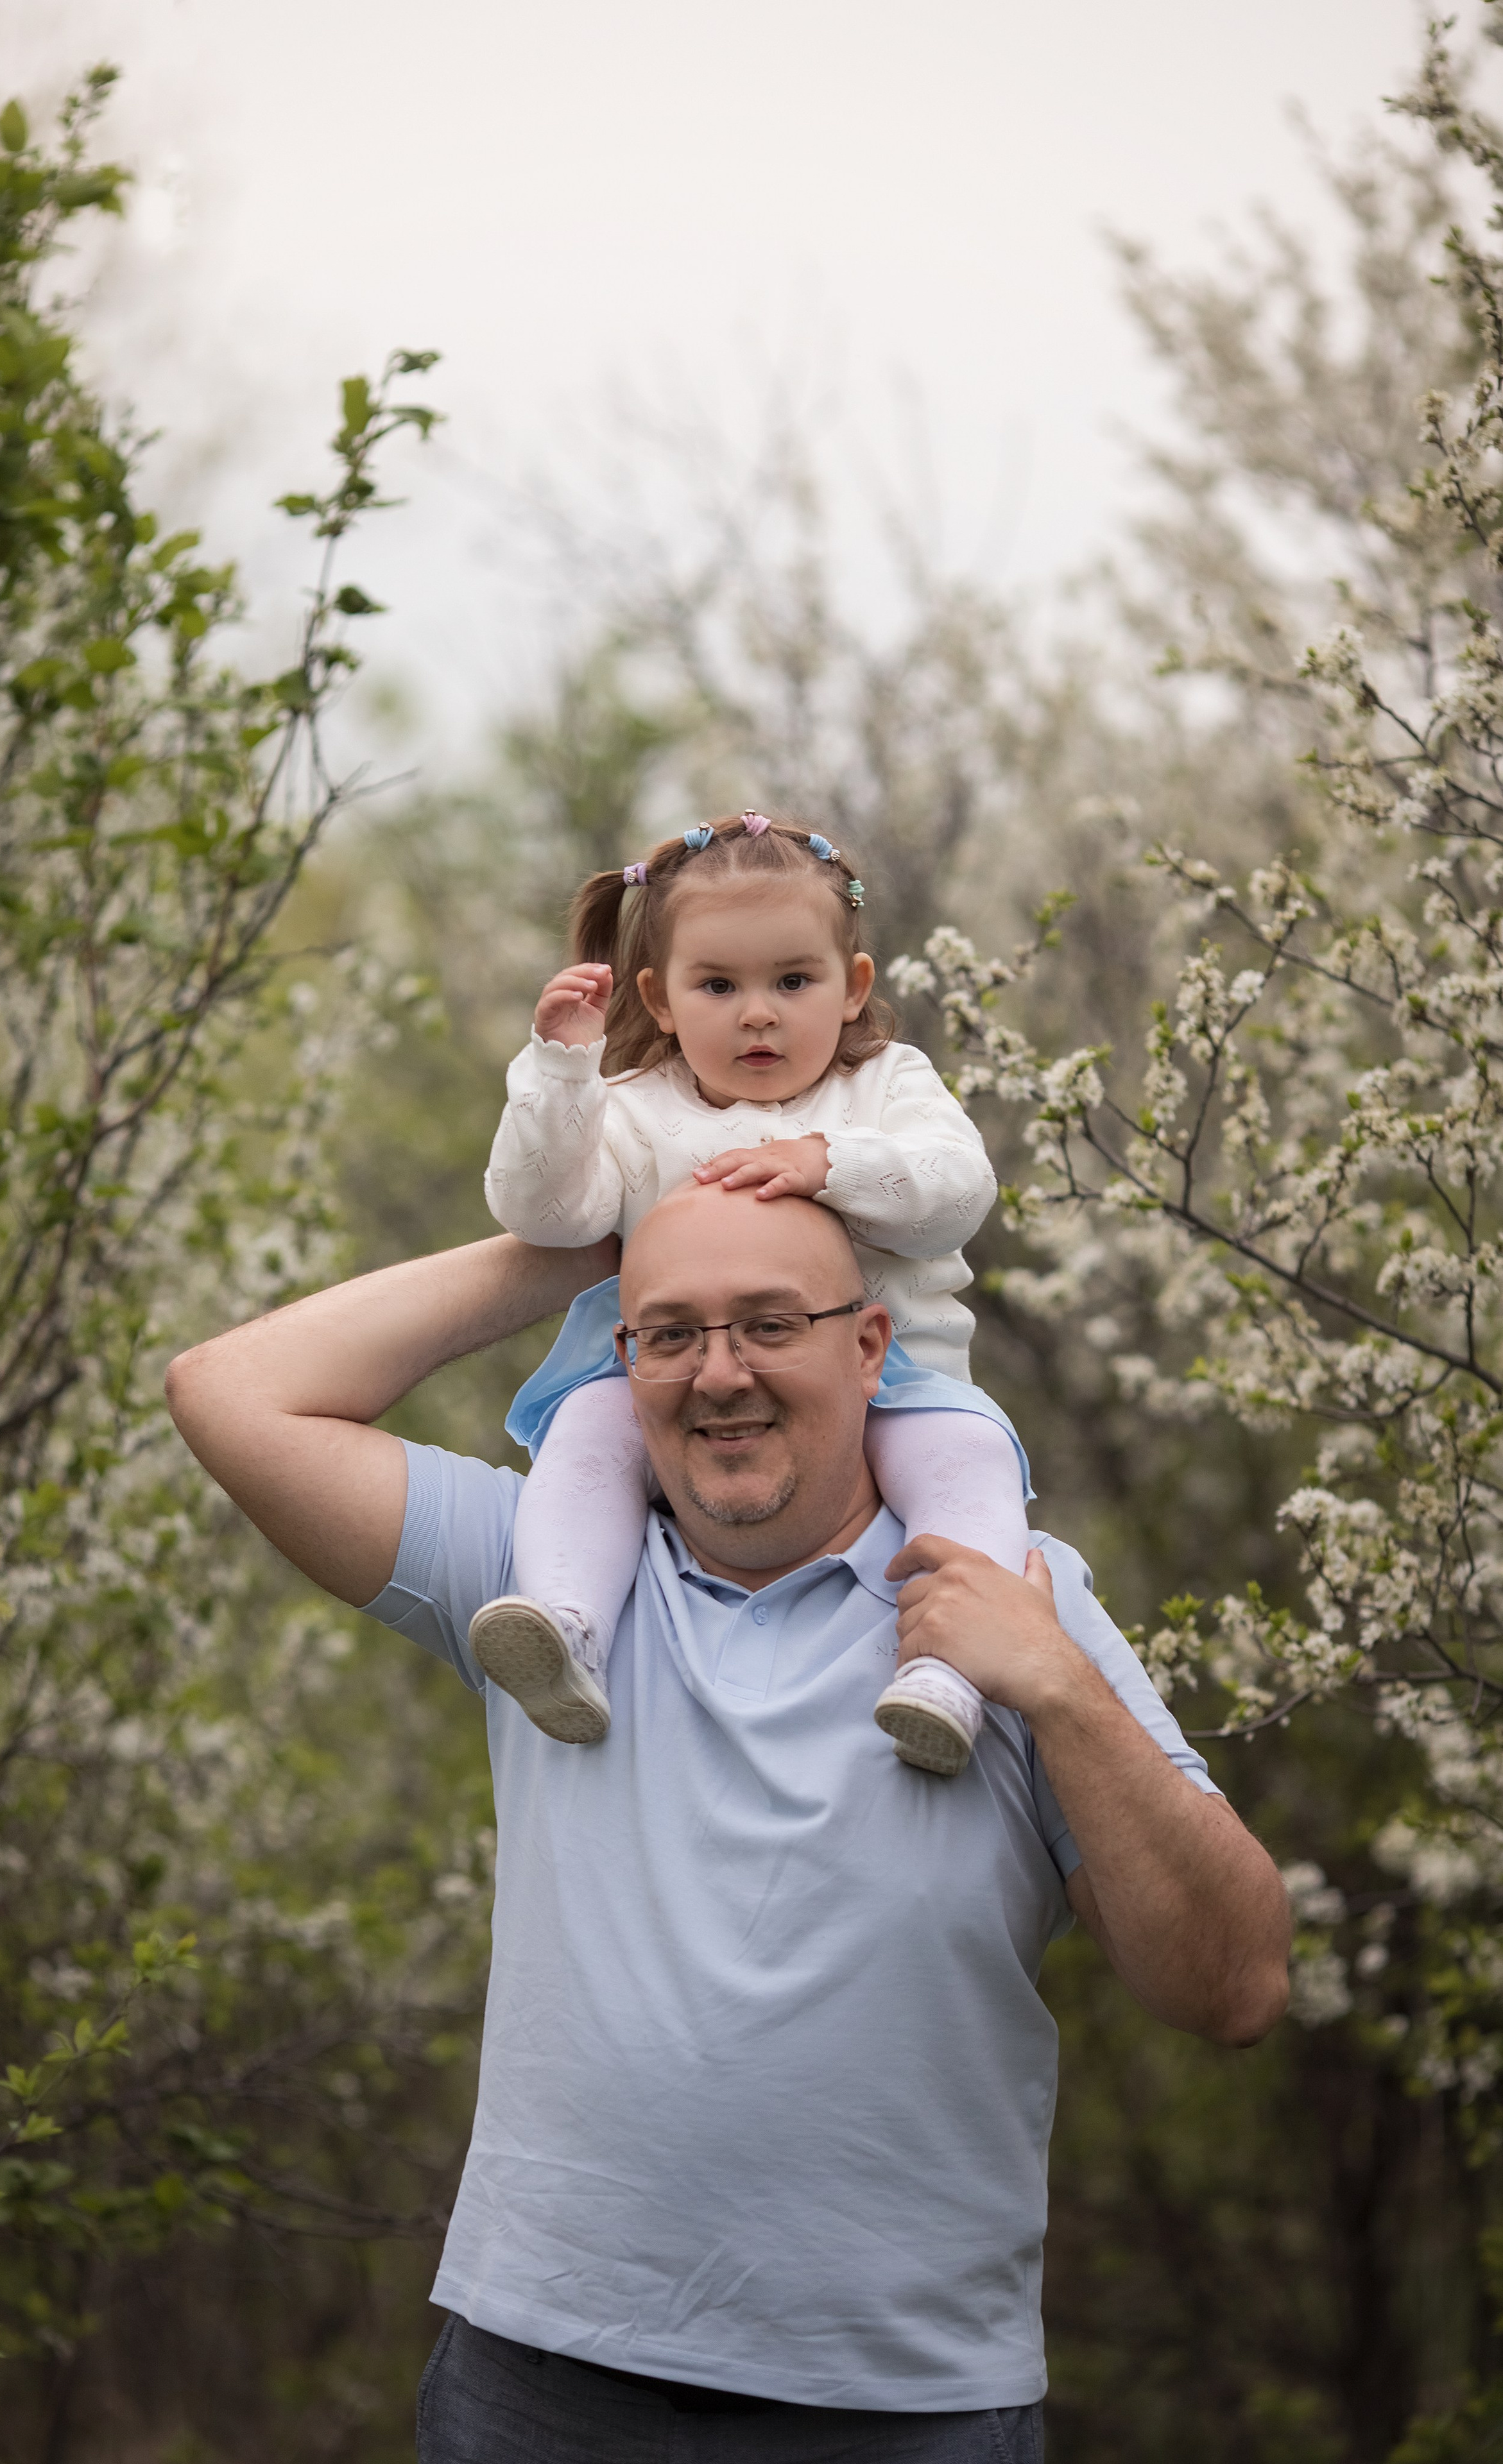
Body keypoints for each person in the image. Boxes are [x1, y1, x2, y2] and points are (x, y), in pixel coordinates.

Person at [165, 1179, 1291, 2462]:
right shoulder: (543, 1587)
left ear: (868, 1346)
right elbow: (226, 1390)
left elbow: (1235, 1983)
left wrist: (1053, 1688)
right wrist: (578, 1238)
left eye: (768, 1324)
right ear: (620, 1356)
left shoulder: (1011, 1603)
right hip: (541, 2389)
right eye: (670, 1333)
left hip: (903, 2411)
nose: (718, 1377)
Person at [479, 809, 1028, 1777]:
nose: (759, 1013)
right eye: (719, 986)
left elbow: (959, 1191)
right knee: (586, 1442)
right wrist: (563, 1072)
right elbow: (547, 1213)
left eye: (793, 981)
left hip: (896, 1378)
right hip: (673, 1374)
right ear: (658, 998)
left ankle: (950, 1669)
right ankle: (567, 1624)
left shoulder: (886, 1088)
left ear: (853, 988)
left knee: (972, 1457)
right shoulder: (638, 1112)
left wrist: (830, 1163)